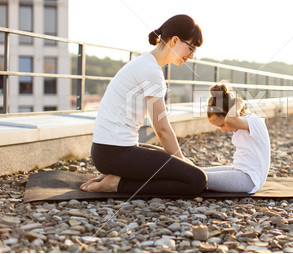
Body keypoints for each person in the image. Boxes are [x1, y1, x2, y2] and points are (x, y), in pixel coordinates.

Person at [80, 14, 207, 195]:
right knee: (196, 179)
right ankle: (117, 185)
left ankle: (114, 176)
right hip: (115, 153)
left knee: (175, 163)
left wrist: (179, 161)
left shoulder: (144, 62)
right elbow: (161, 128)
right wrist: (182, 162)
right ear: (175, 40)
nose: (192, 56)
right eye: (191, 48)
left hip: (108, 151)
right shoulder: (151, 71)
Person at [203, 83, 271, 193]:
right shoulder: (243, 124)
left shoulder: (254, 121)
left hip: (250, 179)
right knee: (197, 171)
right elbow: (230, 120)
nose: (223, 130)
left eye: (221, 125)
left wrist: (239, 103)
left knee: (197, 178)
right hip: (239, 171)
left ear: (231, 113)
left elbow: (230, 120)